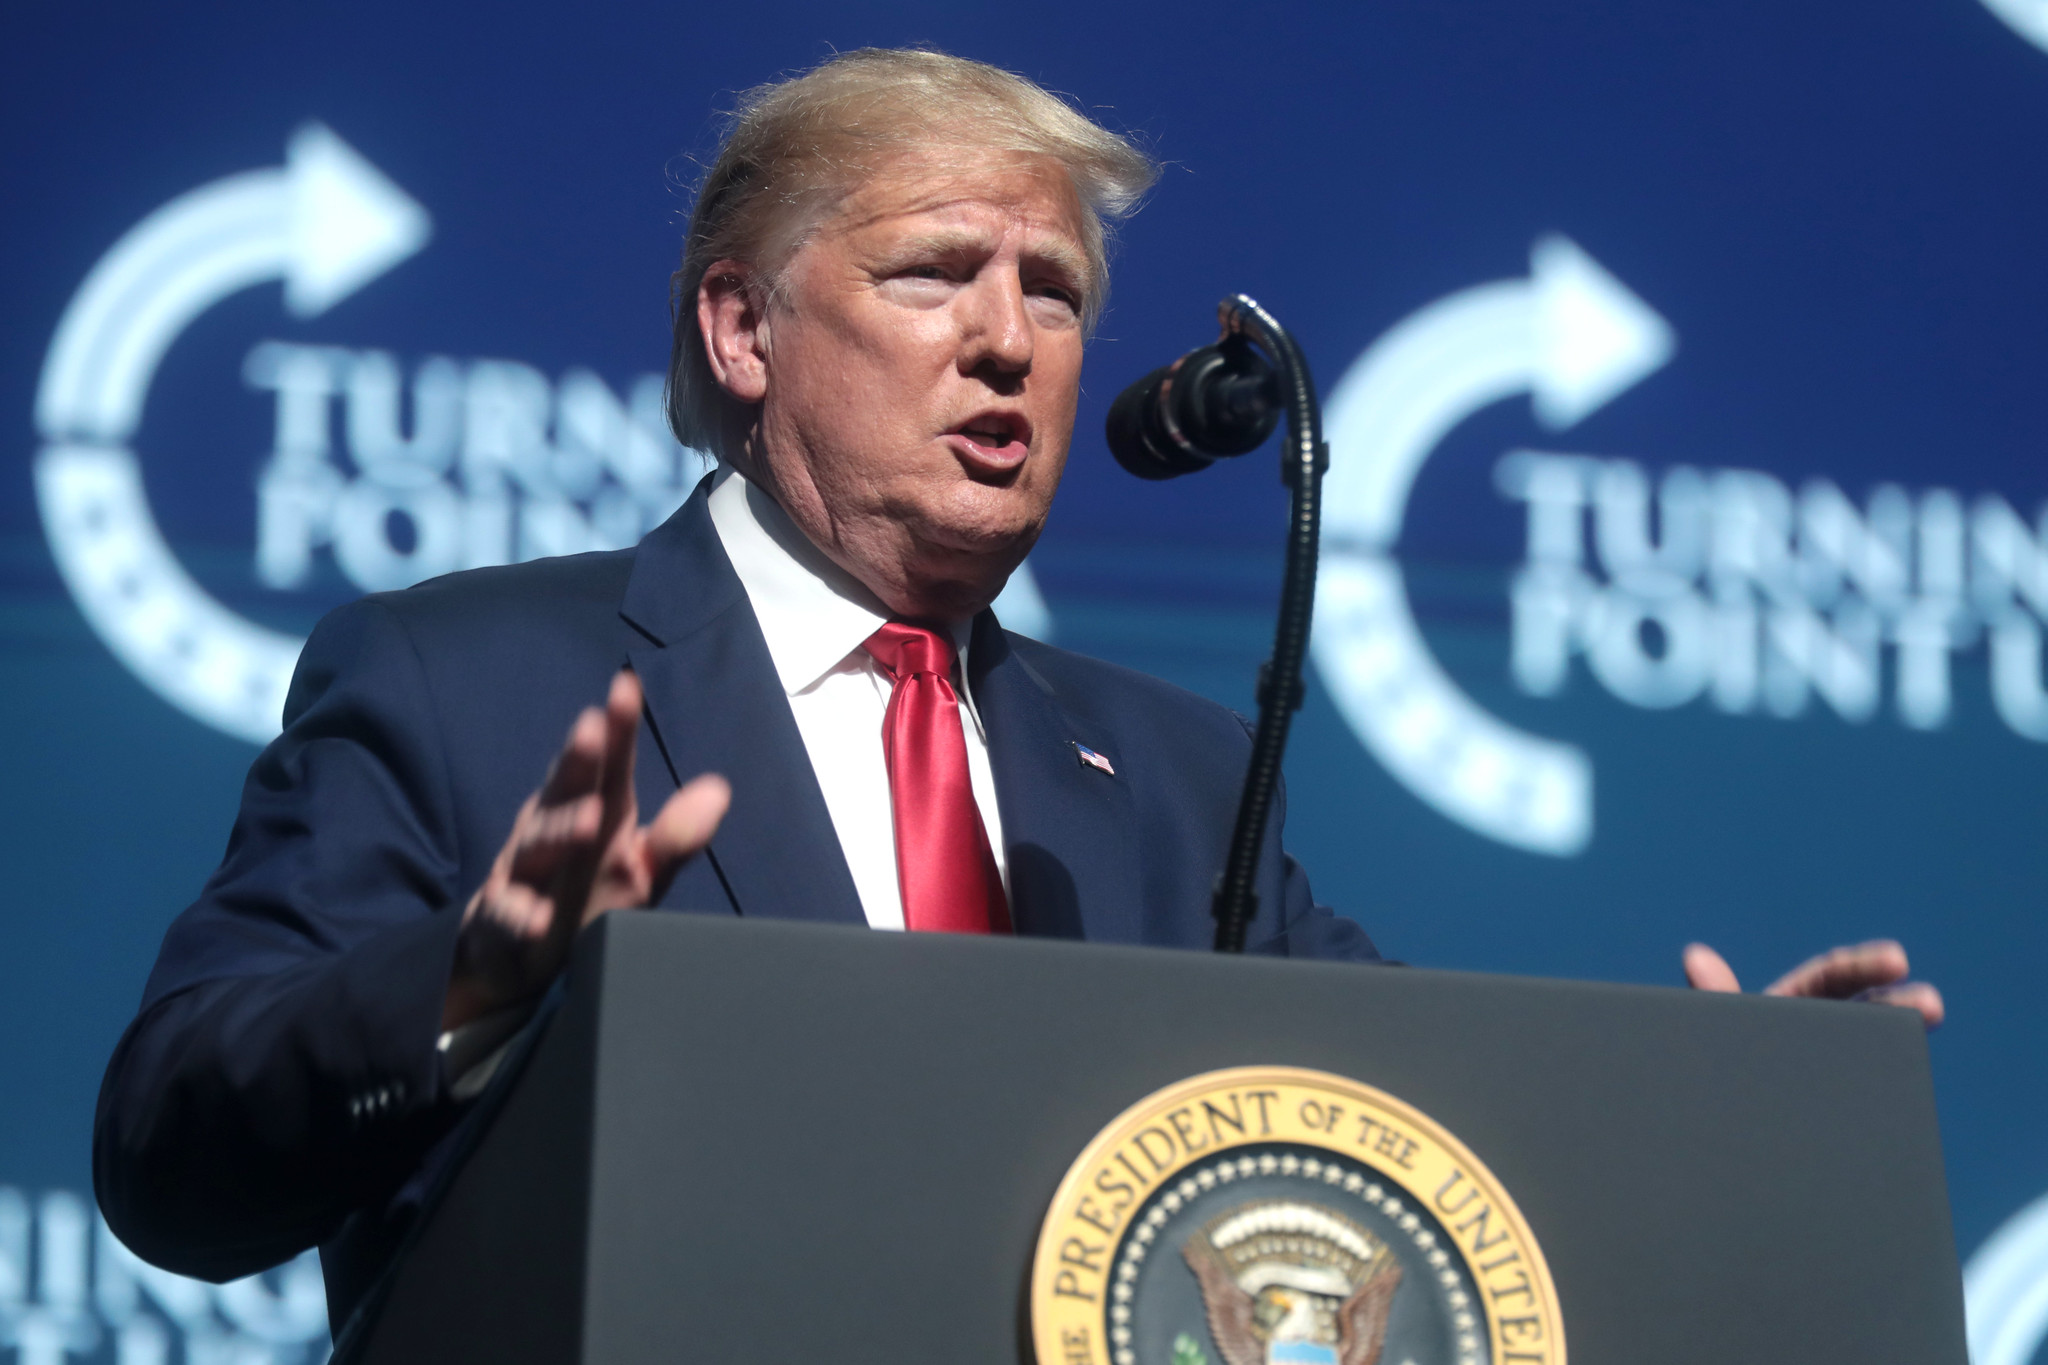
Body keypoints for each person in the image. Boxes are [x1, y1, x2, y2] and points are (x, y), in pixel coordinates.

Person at [91, 47, 1942, 1335]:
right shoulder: (464, 678)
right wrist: (473, 984)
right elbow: (169, 1148)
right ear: (743, 329)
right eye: (931, 275)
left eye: (1052, 293)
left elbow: (1416, 1133)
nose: (1005, 338)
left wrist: (1722, 1105)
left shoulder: (1167, 777)